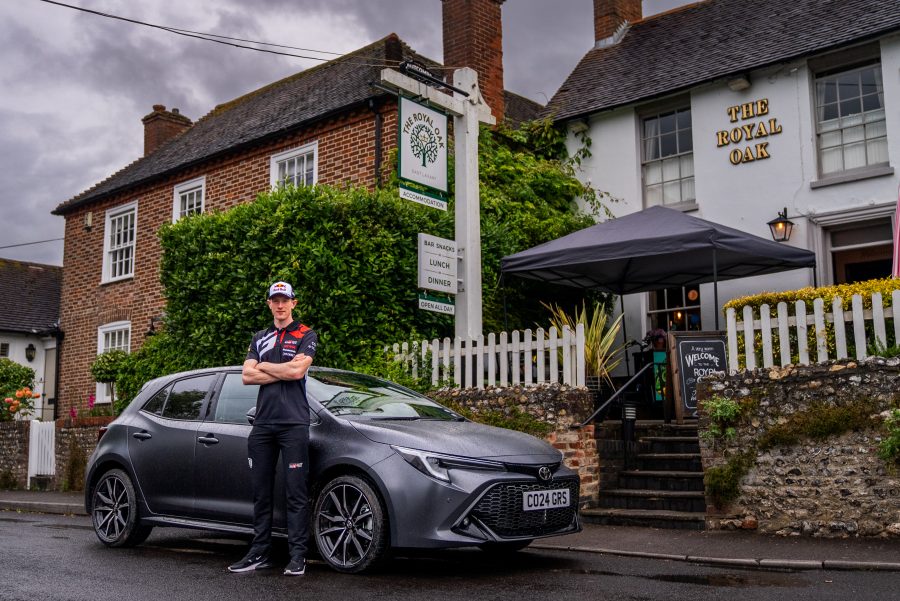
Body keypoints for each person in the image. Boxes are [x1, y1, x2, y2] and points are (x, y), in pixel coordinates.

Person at [228, 281, 318, 576]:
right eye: (275, 300)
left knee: (295, 493)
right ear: (269, 304)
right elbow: (245, 376)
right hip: (263, 424)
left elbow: (297, 371)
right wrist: (279, 369)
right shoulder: (260, 337)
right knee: (261, 493)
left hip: (293, 423)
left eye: (285, 300)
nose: (280, 305)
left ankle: (297, 557)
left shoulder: (306, 334)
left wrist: (264, 366)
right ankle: (259, 554)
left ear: (294, 302)